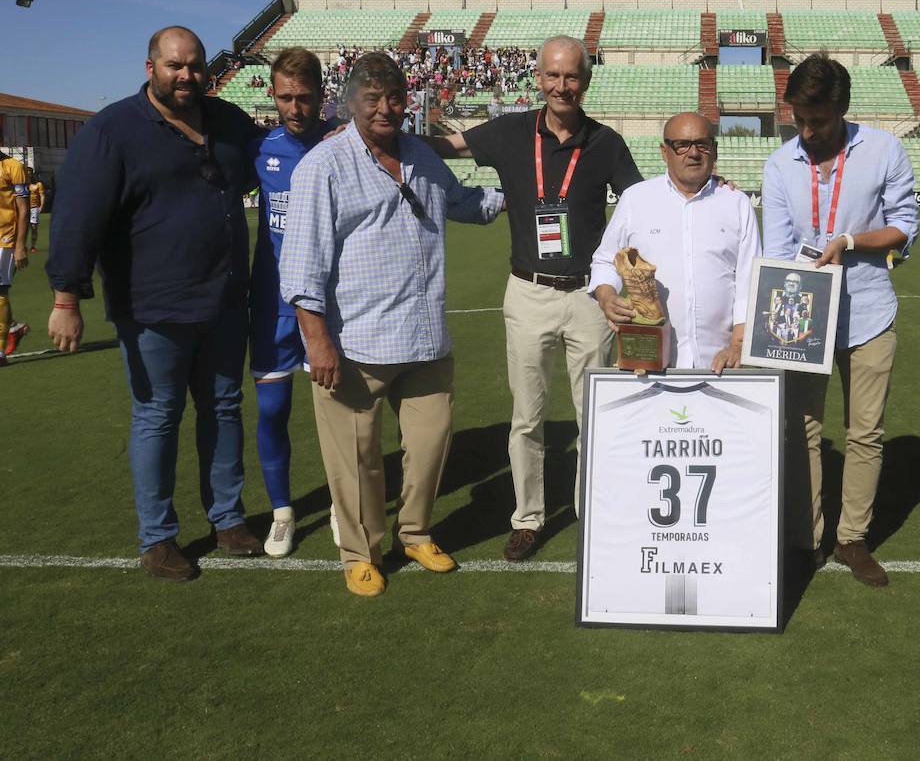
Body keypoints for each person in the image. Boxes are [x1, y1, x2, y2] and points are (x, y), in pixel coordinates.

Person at [46, 25, 265, 580]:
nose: (187, 75)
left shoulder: (228, 122)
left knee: (222, 409)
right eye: (174, 66)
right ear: (151, 69)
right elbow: (77, 216)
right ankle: (158, 538)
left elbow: (281, 153)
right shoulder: (113, 130)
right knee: (158, 418)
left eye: (195, 65)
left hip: (222, 299)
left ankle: (228, 518)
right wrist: (66, 297)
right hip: (151, 308)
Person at [279, 52, 501, 597]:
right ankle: (360, 552)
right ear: (349, 102)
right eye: (371, 99)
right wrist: (317, 342)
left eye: (394, 98)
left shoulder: (422, 155)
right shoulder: (324, 166)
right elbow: (302, 266)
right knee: (355, 462)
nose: (384, 109)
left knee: (429, 447)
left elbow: (465, 202)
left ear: (408, 99)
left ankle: (416, 533)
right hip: (355, 343)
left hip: (425, 338)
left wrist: (528, 193)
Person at [439, 35, 642, 562]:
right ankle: (527, 518)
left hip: (590, 301)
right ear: (538, 79)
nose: (561, 85)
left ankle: (589, 512)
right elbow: (451, 147)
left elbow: (641, 206)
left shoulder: (606, 142)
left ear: (586, 81)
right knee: (527, 418)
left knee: (593, 414)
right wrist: (385, 137)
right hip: (527, 293)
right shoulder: (509, 131)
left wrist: (710, 187)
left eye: (571, 76)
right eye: (552, 75)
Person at [762, 54, 918, 587]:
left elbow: (905, 227)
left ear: (842, 110)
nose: (806, 132)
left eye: (818, 122)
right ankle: (805, 540)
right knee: (802, 428)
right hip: (800, 314)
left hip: (869, 311)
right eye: (798, 120)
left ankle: (852, 539)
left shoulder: (884, 150)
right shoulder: (781, 164)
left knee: (865, 432)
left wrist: (849, 242)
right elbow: (778, 247)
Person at [589, 112, 759, 372]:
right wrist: (606, 295)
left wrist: (738, 345)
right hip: (650, 361)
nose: (693, 153)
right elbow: (605, 260)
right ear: (664, 151)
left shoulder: (736, 203)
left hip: (721, 363)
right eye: (682, 145)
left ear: (714, 150)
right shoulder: (636, 199)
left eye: (702, 144)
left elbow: (750, 281)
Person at [246, 47, 332, 557]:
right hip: (273, 300)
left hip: (329, 304)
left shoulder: (346, 142)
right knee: (272, 409)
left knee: (340, 410)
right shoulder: (259, 149)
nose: (295, 107)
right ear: (272, 96)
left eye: (304, 97)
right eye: (286, 98)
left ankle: (345, 506)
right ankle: (282, 513)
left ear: (321, 95)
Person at [0, 150, 30, 367]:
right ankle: (12, 327)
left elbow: (23, 207)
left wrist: (20, 245)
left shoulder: (13, 166)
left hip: (5, 237)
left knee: (0, 291)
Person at [26, 167, 44, 252]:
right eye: (27, 172)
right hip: (24, 209)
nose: (28, 174)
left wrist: (41, 206)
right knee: (23, 228)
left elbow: (42, 196)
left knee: (34, 227)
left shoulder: (38, 184)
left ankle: (33, 246)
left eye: (30, 172)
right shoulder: (22, 184)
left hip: (34, 208)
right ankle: (23, 246)